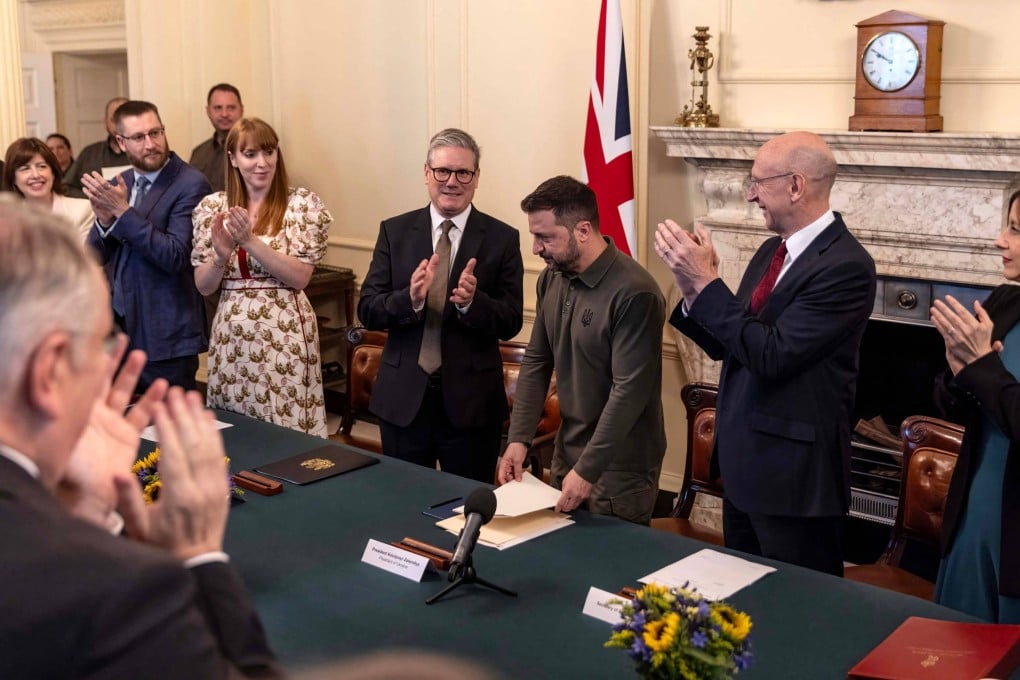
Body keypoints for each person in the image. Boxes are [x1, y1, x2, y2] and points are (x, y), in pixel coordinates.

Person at [0, 195, 280, 678]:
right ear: (49, 372)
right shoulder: (113, 591)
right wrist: (198, 554)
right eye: (102, 342)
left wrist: (89, 517)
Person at [656, 131, 876, 575]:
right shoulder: (770, 250)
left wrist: (708, 284)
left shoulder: (846, 266)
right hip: (744, 469)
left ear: (795, 185)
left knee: (797, 607)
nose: (751, 194)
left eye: (758, 182)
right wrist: (692, 288)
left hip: (793, 483)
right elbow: (733, 344)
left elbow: (772, 356)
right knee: (743, 601)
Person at [358, 128, 523, 483]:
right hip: (403, 401)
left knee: (466, 505)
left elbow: (511, 320)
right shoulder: (394, 231)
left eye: (463, 172)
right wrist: (410, 299)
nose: (452, 181)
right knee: (401, 500)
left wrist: (473, 304)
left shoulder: (502, 239)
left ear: (476, 178)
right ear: (426, 173)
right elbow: (368, 309)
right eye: (443, 171)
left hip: (471, 407)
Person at [499, 176, 666, 524]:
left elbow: (629, 392)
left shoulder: (636, 293)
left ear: (583, 231)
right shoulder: (551, 278)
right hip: (567, 452)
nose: (535, 248)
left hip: (619, 468)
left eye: (545, 237)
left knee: (608, 558)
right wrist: (519, 439)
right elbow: (537, 362)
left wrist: (588, 468)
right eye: (534, 236)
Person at [192, 118, 332, 437]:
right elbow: (204, 285)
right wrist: (220, 256)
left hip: (284, 333)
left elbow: (300, 277)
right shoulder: (212, 208)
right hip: (231, 334)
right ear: (233, 158)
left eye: (269, 152)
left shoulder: (300, 205)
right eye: (250, 154)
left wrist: (249, 242)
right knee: (235, 427)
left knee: (285, 426)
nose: (262, 162)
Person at [929, 189, 1020, 623]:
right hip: (973, 511)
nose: (1001, 240)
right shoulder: (1004, 301)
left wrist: (981, 368)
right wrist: (957, 373)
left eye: (1015, 230)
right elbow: (954, 405)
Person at [82, 100, 210, 391]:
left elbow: (175, 255)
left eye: (155, 133)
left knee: (168, 419)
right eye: (139, 137)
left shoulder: (191, 183)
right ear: (121, 142)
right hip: (118, 334)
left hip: (167, 336)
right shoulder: (120, 182)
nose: (150, 144)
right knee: (123, 415)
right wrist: (104, 219)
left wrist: (123, 212)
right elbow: (94, 256)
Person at [2, 137, 94, 240]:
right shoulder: (7, 219)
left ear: (53, 173)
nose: (35, 175)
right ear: (13, 178)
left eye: (41, 166)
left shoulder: (82, 210)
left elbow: (83, 250)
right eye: (25, 169)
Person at [65, 96, 129, 198]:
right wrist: (94, 198)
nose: (120, 124)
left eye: (125, 119)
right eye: (114, 119)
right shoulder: (89, 154)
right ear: (105, 122)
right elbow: (66, 187)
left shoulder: (146, 153)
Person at [190, 83, 244, 193]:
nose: (224, 114)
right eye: (218, 108)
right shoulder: (198, 153)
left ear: (241, 110)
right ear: (208, 111)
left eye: (231, 108)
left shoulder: (255, 151)